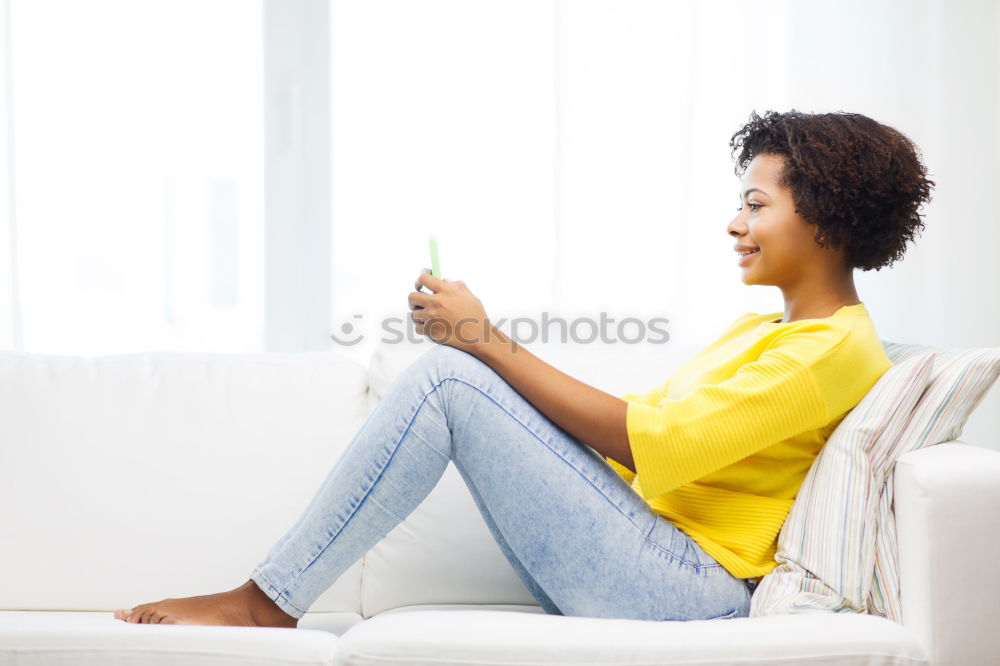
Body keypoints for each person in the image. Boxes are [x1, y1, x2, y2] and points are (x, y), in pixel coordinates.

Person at [113, 109, 935, 626]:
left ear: (826, 217)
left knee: (451, 381)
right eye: (740, 202)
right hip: (651, 558)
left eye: (756, 204)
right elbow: (640, 430)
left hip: (688, 589)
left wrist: (482, 340)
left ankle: (264, 603)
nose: (735, 222)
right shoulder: (768, 331)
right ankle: (265, 599)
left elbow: (647, 444)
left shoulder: (829, 350)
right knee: (463, 382)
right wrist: (483, 348)